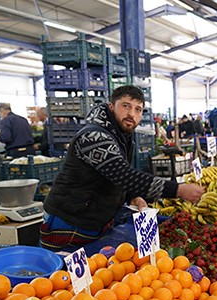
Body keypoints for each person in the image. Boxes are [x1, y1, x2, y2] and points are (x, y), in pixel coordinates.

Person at [40, 86, 204, 251]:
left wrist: (132, 196)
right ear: (111, 107)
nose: (131, 113)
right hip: (69, 222)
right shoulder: (93, 137)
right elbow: (124, 175)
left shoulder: (123, 136)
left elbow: (116, 175)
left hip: (94, 220)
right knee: (62, 272)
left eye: (138, 109)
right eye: (126, 106)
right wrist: (178, 190)